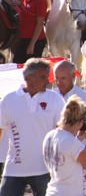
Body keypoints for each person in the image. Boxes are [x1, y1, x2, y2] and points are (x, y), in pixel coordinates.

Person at [0, 58, 65, 196]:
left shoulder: (55, 99)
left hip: (45, 169)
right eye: (43, 77)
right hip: (13, 169)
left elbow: (63, 130)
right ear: (29, 79)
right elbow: (0, 129)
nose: (48, 81)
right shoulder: (9, 100)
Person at [43, 95, 86, 195]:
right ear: (81, 122)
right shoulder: (72, 143)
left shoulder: (49, 136)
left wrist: (79, 139)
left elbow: (66, 156)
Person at [0, 0, 51, 64]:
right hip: (24, 38)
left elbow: (40, 24)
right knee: (17, 64)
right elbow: (12, 2)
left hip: (35, 40)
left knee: (31, 69)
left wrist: (32, 44)